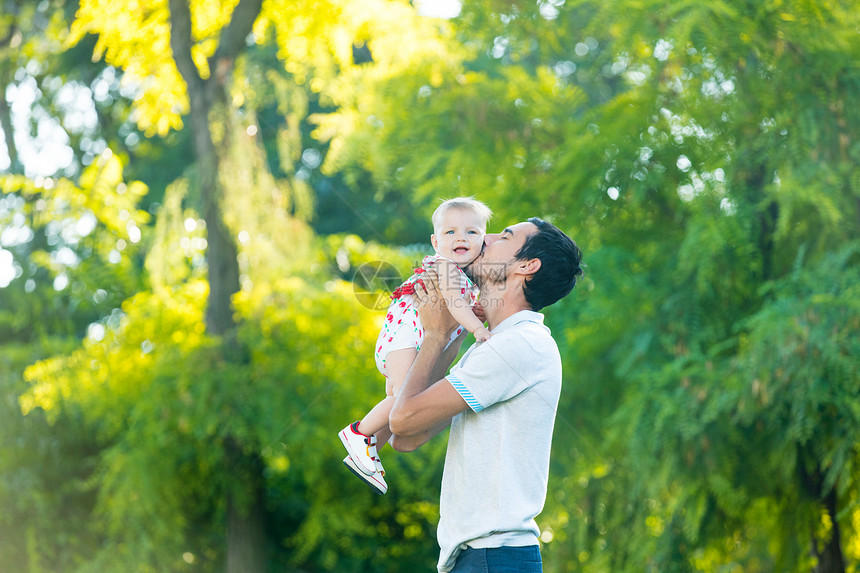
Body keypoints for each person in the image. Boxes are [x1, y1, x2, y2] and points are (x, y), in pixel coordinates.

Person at [388, 217, 583, 573]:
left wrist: (433, 336)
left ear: (527, 266)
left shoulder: (520, 344)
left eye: (504, 237)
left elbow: (402, 418)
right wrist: (452, 332)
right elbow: (405, 438)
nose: (485, 238)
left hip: (496, 557)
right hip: (480, 557)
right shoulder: (490, 346)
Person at [339, 197, 494, 495]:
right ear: (436, 242)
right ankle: (358, 433)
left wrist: (475, 315)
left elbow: (461, 309)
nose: (460, 237)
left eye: (471, 232)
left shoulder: (465, 278)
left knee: (402, 397)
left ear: (483, 240)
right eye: (450, 233)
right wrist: (478, 329)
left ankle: (368, 450)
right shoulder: (446, 266)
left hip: (408, 339)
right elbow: (454, 303)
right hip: (405, 337)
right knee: (401, 396)